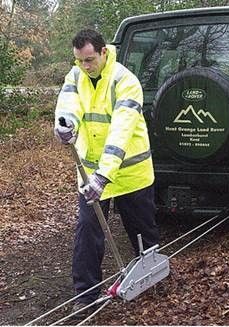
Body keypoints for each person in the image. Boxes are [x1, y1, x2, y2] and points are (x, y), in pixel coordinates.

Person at [54, 29, 159, 309]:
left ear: (103, 52)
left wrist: (104, 174)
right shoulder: (76, 75)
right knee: (88, 230)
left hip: (130, 173)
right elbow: (68, 103)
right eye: (79, 61)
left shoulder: (126, 81)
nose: (85, 67)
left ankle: (151, 279)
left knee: (141, 231)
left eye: (89, 60)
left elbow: (121, 130)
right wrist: (65, 123)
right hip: (91, 174)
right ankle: (85, 295)